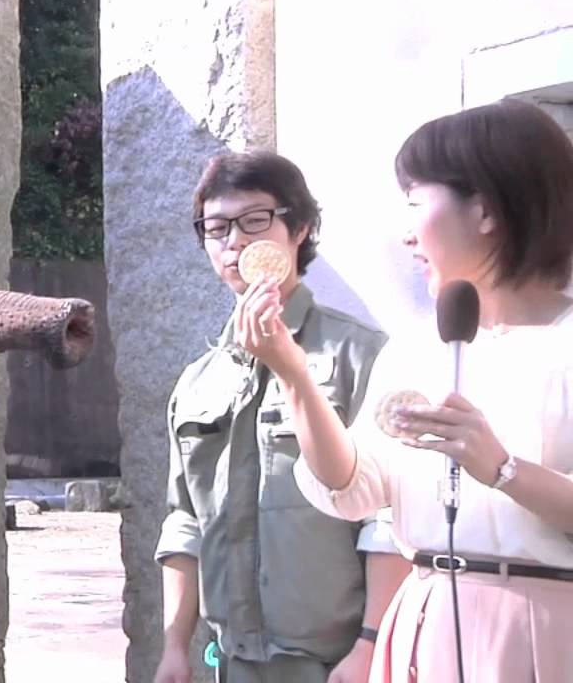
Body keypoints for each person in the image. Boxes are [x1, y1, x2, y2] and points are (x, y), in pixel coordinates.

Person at [243, 99, 573, 682]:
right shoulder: (418, 349)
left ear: (488, 210)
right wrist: (293, 373)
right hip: (425, 620)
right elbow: (353, 487)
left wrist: (501, 468)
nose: (405, 235)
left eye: (416, 203)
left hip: (546, 628)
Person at [154, 152, 409, 683]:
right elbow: (184, 522)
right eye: (216, 227)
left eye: (254, 221)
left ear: (300, 229)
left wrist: (369, 645)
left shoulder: (359, 356)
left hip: (336, 662)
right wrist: (175, 646)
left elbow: (391, 519)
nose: (235, 242)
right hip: (231, 661)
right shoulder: (197, 380)